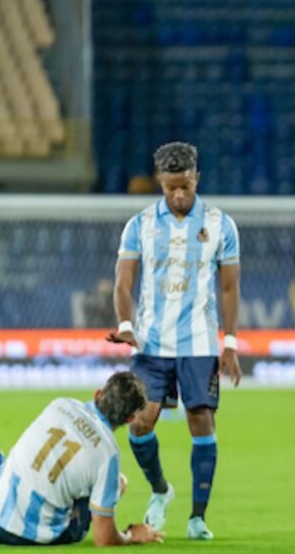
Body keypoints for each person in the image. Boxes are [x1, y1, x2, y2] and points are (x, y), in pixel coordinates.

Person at [107, 141, 242, 540]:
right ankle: (161, 490)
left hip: (199, 344)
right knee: (139, 422)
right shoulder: (140, 225)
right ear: (160, 184)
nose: (178, 195)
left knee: (201, 421)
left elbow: (230, 288)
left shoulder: (221, 224)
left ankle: (198, 517)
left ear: (196, 177)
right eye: (170, 188)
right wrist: (126, 324)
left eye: (184, 186)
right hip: (151, 344)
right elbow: (123, 280)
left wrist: (230, 341)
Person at [0, 372, 162, 546]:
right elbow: (104, 539)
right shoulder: (108, 454)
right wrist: (130, 536)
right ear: (129, 419)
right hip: (41, 539)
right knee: (119, 483)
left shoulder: (60, 404)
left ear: (98, 393)